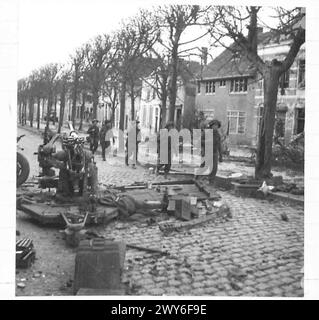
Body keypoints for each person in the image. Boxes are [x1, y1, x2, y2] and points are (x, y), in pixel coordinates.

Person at [207, 119, 223, 183]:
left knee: (214, 168)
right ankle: (198, 178)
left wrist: (221, 156)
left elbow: (219, 145)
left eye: (217, 126)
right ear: (211, 126)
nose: (215, 127)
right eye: (214, 125)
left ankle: (211, 181)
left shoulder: (218, 135)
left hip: (215, 153)